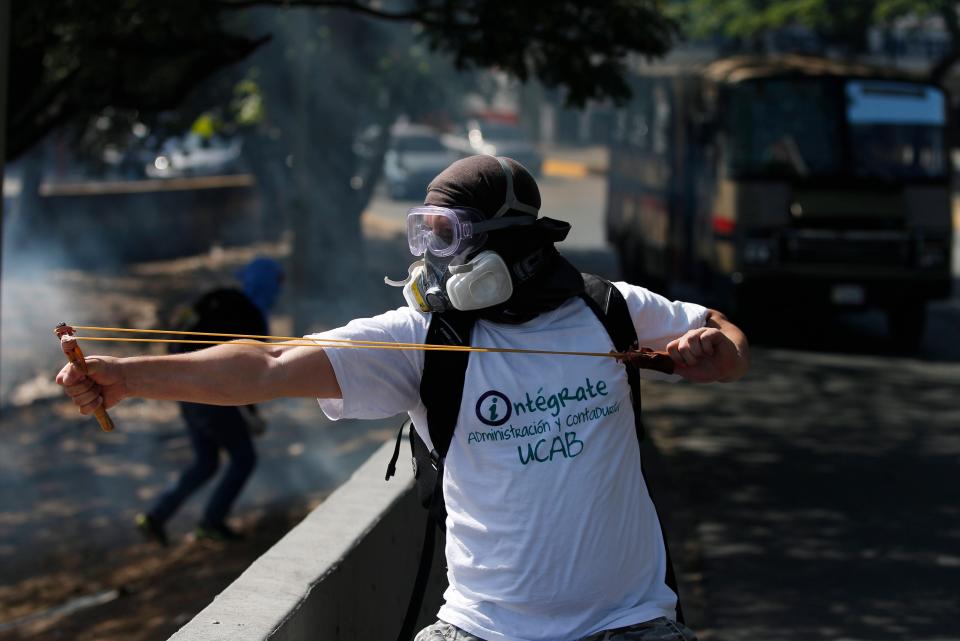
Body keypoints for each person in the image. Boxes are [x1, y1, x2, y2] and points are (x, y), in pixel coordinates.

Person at [58, 156, 748, 640]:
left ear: (508, 248)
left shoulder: (609, 310)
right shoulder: (421, 340)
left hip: (630, 624)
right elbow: (269, 366)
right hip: (482, 630)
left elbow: (719, 337)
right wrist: (128, 375)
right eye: (427, 236)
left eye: (448, 238)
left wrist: (718, 351)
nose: (432, 261)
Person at [135, 256, 284, 545]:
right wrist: (251, 413)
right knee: (244, 457)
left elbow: (175, 340)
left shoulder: (215, 299)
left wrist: (178, 382)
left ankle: (155, 517)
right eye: (278, 284)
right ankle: (212, 522)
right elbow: (254, 372)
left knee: (206, 461)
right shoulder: (251, 314)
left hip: (184, 393)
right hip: (211, 396)